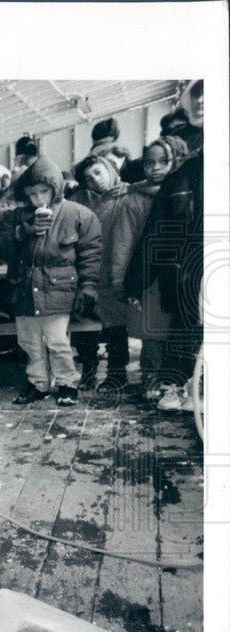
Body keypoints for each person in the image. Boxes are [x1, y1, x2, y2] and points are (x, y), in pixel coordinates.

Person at [0, 157, 102, 407]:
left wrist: (87, 286)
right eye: (31, 194)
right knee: (29, 341)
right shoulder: (19, 216)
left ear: (56, 188)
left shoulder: (78, 214)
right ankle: (38, 384)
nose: (37, 199)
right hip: (24, 290)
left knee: (57, 340)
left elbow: (91, 254)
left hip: (60, 290)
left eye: (43, 191)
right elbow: (0, 245)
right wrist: (24, 230)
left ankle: (67, 384)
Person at [124, 82, 203, 412]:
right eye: (196, 97)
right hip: (188, 275)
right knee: (184, 331)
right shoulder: (184, 175)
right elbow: (160, 233)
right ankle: (180, 386)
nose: (200, 103)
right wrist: (136, 281)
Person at [110, 136, 189, 397]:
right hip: (145, 276)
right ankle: (151, 382)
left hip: (180, 274)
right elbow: (122, 242)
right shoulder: (133, 200)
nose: (155, 168)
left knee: (177, 332)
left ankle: (175, 385)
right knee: (152, 333)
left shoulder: (187, 192)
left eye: (163, 161)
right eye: (149, 163)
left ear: (177, 161)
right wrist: (120, 280)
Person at [70, 154, 129, 390]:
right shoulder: (78, 202)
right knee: (85, 323)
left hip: (115, 270)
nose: (95, 179)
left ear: (109, 169)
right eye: (88, 177)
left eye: (98, 171)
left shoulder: (127, 195)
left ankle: (117, 373)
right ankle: (88, 369)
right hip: (87, 271)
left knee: (116, 325)